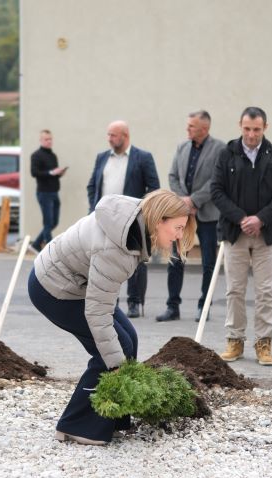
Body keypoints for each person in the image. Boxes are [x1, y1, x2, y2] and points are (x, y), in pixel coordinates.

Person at [29, 189, 196, 445]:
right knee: (109, 353)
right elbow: (97, 312)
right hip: (53, 288)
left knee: (129, 337)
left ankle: (114, 416)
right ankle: (76, 426)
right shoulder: (117, 248)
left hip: (78, 283)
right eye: (177, 227)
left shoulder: (137, 222)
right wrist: (116, 366)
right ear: (159, 220)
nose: (179, 235)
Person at [211, 107, 272, 366]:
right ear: (240, 126)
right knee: (234, 289)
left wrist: (261, 218)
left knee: (265, 290)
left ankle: (264, 344)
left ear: (265, 127)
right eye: (247, 128)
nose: (251, 134)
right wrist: (241, 218)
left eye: (256, 129)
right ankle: (234, 341)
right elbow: (216, 190)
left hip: (266, 234)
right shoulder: (227, 153)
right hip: (235, 233)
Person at [86, 120, 160, 318]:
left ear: (125, 136)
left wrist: (140, 212)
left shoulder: (143, 158)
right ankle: (112, 301)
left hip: (132, 220)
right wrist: (93, 210)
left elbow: (154, 189)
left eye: (113, 135)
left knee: (135, 261)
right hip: (104, 221)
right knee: (107, 260)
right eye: (108, 134)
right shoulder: (102, 158)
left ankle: (135, 302)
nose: (109, 139)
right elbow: (92, 185)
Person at [156, 111, 223, 324]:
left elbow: (216, 181)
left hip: (207, 215)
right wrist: (183, 201)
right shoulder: (182, 147)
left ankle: (204, 307)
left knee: (208, 263)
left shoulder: (219, 148)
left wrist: (194, 201)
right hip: (181, 215)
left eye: (192, 126)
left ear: (205, 129)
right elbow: (173, 176)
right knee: (176, 260)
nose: (188, 129)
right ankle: (172, 306)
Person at [30, 129, 65, 252]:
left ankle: (35, 245)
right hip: (44, 193)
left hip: (54, 191)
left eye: (50, 139)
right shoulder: (36, 155)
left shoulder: (53, 155)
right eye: (46, 139)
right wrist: (51, 172)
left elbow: (53, 173)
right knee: (48, 222)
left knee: (54, 222)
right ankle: (50, 251)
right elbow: (34, 173)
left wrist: (59, 173)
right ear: (41, 140)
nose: (49, 141)